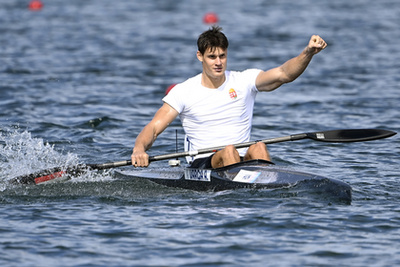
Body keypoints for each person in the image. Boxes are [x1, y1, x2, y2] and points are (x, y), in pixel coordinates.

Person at [131, 26, 327, 169]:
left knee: (259, 147)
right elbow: (154, 127)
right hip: (203, 164)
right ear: (200, 56)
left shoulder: (244, 80)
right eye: (212, 57)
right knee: (229, 151)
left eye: (222, 56)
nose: (218, 62)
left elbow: (284, 74)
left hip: (239, 159)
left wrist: (308, 53)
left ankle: (267, 190)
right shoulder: (184, 91)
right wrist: (139, 149)